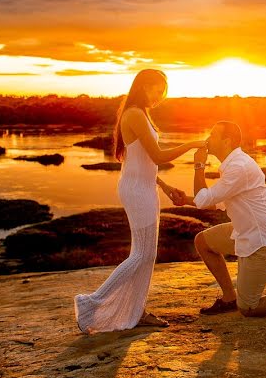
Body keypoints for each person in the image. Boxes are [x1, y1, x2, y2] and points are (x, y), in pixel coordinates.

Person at [74, 69, 204, 333]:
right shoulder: (134, 113)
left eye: (163, 91)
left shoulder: (140, 113)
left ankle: (135, 311)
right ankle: (90, 304)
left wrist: (164, 185)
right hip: (137, 190)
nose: (160, 96)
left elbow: (140, 161)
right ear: (144, 86)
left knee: (148, 255)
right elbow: (156, 156)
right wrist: (192, 144)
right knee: (140, 255)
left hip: (144, 187)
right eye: (157, 89)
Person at [163, 121, 266, 317]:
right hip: (245, 230)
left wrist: (199, 165)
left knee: (249, 307)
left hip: (261, 239)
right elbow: (216, 201)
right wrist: (186, 201)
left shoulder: (238, 167)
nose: (207, 138)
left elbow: (204, 198)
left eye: (213, 134)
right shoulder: (233, 164)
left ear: (227, 141)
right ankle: (228, 298)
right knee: (203, 241)